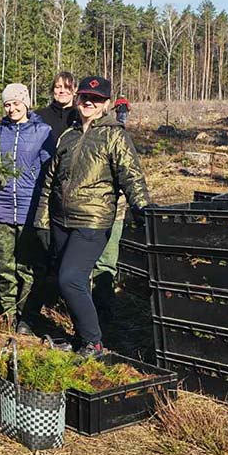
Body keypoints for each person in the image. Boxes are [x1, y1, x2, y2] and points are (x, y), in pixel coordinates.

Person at [34, 76, 151, 357]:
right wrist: (42, 220)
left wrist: (144, 211)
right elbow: (50, 181)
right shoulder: (68, 136)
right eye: (85, 96)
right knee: (70, 281)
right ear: (77, 99)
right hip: (62, 220)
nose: (89, 102)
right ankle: (81, 337)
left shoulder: (114, 135)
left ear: (106, 105)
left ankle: (94, 342)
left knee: (70, 279)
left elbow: (131, 177)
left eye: (96, 99)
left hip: (93, 220)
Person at [0, 83, 55, 335]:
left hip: (29, 210)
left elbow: (49, 170)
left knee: (27, 268)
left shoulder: (42, 132)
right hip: (2, 210)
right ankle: (9, 313)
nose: (11, 108)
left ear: (26, 103)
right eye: (7, 104)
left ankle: (27, 316)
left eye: (16, 103)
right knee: (6, 266)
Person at [93, 96, 132, 324]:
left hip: (112, 212)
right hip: (85, 214)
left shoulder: (117, 134)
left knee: (106, 263)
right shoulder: (78, 134)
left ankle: (104, 314)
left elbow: (130, 175)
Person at [35, 71, 78, 143]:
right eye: (58, 87)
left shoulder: (80, 117)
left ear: (75, 90)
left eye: (67, 87)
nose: (62, 91)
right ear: (53, 90)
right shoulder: (38, 116)